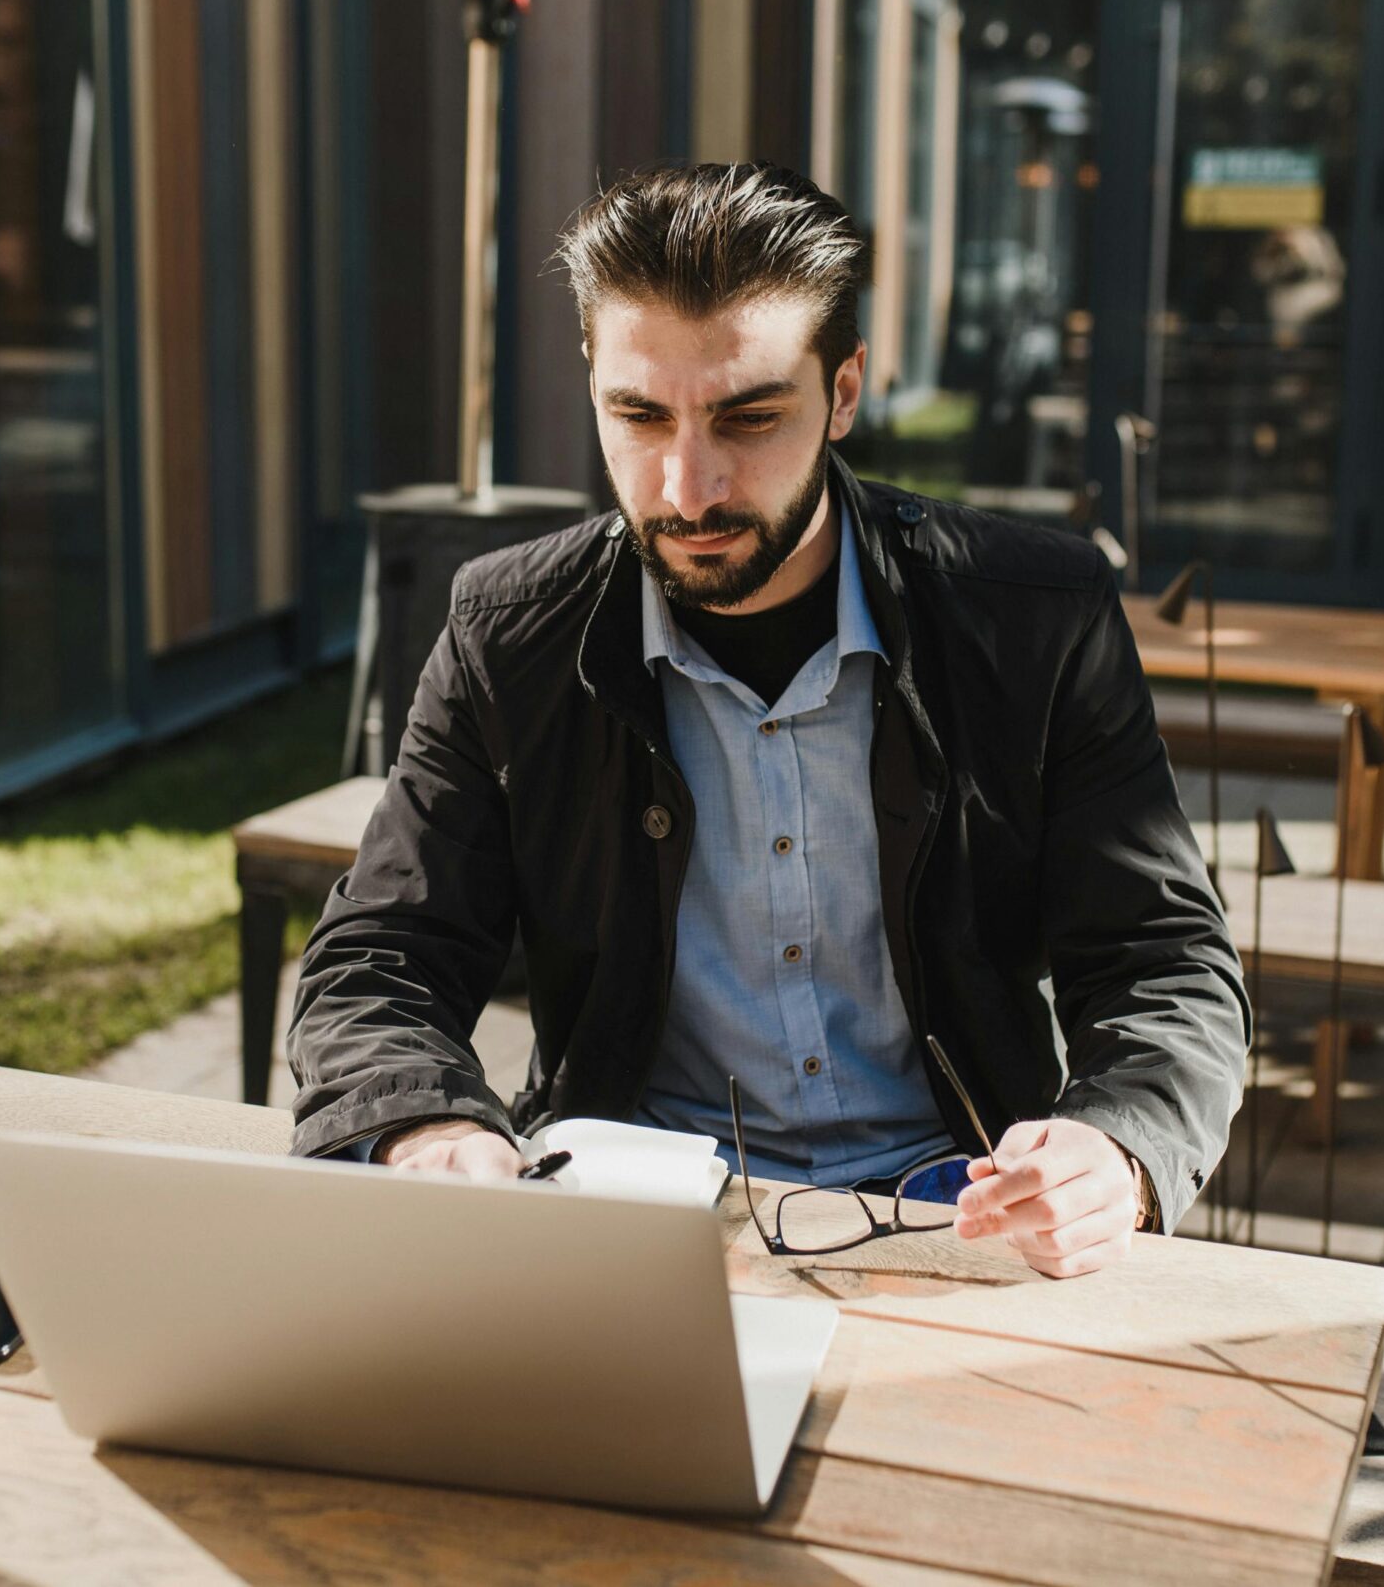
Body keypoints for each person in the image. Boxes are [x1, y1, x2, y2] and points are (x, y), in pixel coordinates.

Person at [288, 162, 1247, 1278]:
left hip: (967, 1213)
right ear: (591, 378)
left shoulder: (1034, 617)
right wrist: (429, 1125)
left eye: (749, 416)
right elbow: (378, 954)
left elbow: (1163, 957)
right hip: (630, 1216)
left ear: (844, 391)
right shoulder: (509, 632)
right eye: (638, 416)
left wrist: (1117, 1148)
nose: (688, 487)